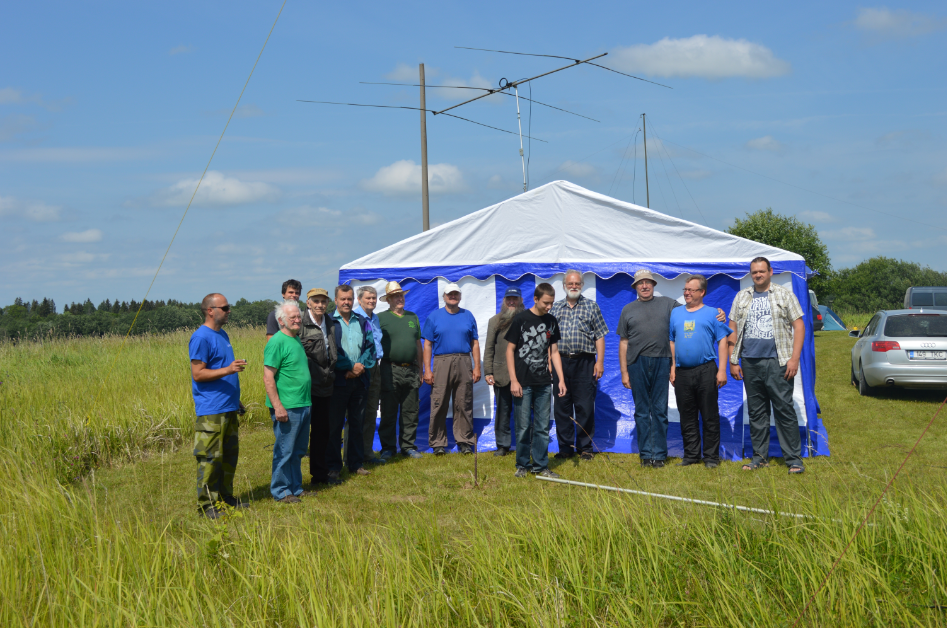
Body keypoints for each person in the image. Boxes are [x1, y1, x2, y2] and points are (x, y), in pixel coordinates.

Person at [618, 269, 726, 468]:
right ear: (635, 286)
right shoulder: (628, 309)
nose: (644, 286)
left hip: (665, 362)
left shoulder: (670, 305)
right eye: (640, 283)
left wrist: (720, 313)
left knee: (662, 410)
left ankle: (662, 455)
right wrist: (624, 371)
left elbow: (695, 309)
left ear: (654, 285)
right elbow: (624, 342)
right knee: (645, 411)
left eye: (648, 282)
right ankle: (648, 455)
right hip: (639, 363)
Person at [728, 257, 806, 474]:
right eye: (754, 272)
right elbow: (732, 327)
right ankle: (760, 458)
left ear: (770, 272)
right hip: (749, 361)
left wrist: (794, 358)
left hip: (778, 362)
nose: (758, 275)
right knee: (757, 412)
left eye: (762, 271)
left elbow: (799, 326)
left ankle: (794, 460)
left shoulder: (784, 294)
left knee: (784, 409)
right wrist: (733, 360)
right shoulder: (742, 296)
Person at [189, 293, 247, 519]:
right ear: (210, 311)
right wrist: (229, 370)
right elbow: (198, 373)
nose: (229, 311)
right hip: (211, 410)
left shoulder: (222, 334)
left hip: (228, 406)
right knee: (210, 458)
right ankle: (207, 506)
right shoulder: (200, 338)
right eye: (225, 307)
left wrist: (235, 398)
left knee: (229, 456)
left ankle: (225, 497)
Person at [669, 275, 732, 469]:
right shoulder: (676, 313)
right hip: (682, 372)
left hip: (706, 370)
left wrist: (722, 370)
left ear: (702, 292)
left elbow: (723, 341)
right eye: (685, 289)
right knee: (686, 415)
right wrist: (672, 367)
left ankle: (711, 457)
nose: (687, 293)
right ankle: (691, 456)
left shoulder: (713, 313)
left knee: (709, 415)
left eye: (691, 290)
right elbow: (672, 340)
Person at [506, 283, 567, 478]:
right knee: (523, 426)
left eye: (551, 303)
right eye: (545, 303)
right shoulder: (520, 319)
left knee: (542, 426)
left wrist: (561, 379)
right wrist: (513, 380)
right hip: (522, 382)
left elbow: (554, 352)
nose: (549, 307)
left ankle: (540, 465)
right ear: (535, 299)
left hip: (543, 382)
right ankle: (522, 465)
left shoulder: (551, 321)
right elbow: (509, 350)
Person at [549, 270, 608, 460]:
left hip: (585, 362)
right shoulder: (555, 308)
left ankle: (585, 448)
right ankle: (565, 448)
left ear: (582, 285)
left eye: (577, 284)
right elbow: (549, 339)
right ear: (564, 286)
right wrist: (549, 361)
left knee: (585, 406)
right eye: (570, 283)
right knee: (562, 406)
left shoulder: (591, 306)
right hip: (560, 362)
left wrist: (600, 362)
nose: (573, 286)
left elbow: (600, 335)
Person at [422, 282, 481, 455]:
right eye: (450, 294)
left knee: (464, 402)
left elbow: (475, 343)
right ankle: (438, 443)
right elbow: (427, 345)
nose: (453, 296)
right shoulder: (434, 317)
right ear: (444, 297)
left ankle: (464, 441)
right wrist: (427, 370)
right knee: (439, 402)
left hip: (464, 360)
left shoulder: (468, 315)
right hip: (441, 362)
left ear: (460, 296)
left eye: (456, 294)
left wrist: (477, 367)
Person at [263, 301, 312, 503]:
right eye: (292, 317)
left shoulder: (296, 339)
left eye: (298, 316)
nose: (297, 320)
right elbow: (268, 377)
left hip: (303, 403)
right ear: (281, 321)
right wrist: (278, 406)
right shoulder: (277, 342)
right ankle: (281, 491)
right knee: (284, 450)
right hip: (287, 406)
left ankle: (295, 488)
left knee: (297, 451)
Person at [327, 284, 376, 478]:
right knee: (334, 425)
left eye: (349, 299)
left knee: (357, 423)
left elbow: (370, 348)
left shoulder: (362, 321)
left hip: (360, 380)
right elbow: (329, 351)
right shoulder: (328, 322)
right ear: (336, 300)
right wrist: (348, 367)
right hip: (338, 381)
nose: (346, 302)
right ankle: (333, 466)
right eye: (343, 299)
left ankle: (355, 463)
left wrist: (358, 368)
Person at [377, 281, 424, 458]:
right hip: (390, 369)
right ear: (388, 300)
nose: (400, 299)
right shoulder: (380, 318)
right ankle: (388, 448)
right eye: (395, 296)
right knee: (388, 410)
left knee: (410, 410)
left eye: (401, 295)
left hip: (411, 369)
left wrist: (421, 370)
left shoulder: (412, 317)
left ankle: (408, 447)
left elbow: (418, 344)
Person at [297, 288, 339, 486]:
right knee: (300, 434)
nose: (320, 305)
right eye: (316, 301)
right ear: (308, 303)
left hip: (326, 385)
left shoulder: (329, 322)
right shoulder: (300, 323)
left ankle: (320, 476)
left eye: (323, 301)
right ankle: (292, 480)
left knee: (322, 432)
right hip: (305, 387)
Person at [483, 287, 524, 457]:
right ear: (504, 301)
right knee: (502, 411)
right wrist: (488, 371)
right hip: (501, 374)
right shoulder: (495, 321)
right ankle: (502, 445)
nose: (512, 302)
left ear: (521, 300)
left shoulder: (527, 319)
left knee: (523, 411)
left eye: (515, 299)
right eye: (509, 299)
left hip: (523, 374)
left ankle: (524, 443)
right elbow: (489, 347)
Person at [353, 285, 386, 464]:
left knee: (372, 411)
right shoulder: (355, 318)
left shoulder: (375, 318)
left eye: (373, 298)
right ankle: (352, 456)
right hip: (361, 369)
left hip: (375, 367)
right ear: (359, 300)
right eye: (368, 298)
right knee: (357, 414)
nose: (372, 301)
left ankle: (367, 453)